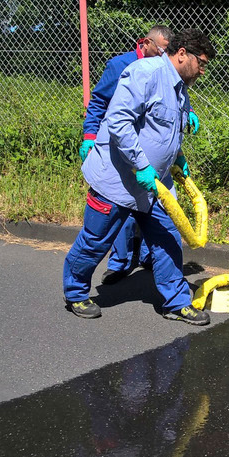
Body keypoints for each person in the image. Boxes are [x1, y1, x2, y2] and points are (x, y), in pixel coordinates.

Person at [62, 28, 216, 325]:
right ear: (182, 54)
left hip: (155, 186)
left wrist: (178, 158)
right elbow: (119, 122)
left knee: (168, 239)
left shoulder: (180, 86)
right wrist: (141, 165)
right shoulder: (144, 72)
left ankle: (176, 302)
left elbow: (166, 131)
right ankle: (76, 293)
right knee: (96, 240)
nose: (202, 70)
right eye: (201, 63)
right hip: (117, 181)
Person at [79, 26, 180, 286]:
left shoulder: (164, 72)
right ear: (146, 43)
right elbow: (100, 103)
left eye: (168, 51)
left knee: (151, 211)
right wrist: (90, 136)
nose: (164, 55)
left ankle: (148, 259)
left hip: (150, 161)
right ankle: (119, 264)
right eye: (161, 49)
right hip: (121, 153)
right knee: (120, 211)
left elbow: (177, 99)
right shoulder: (121, 65)